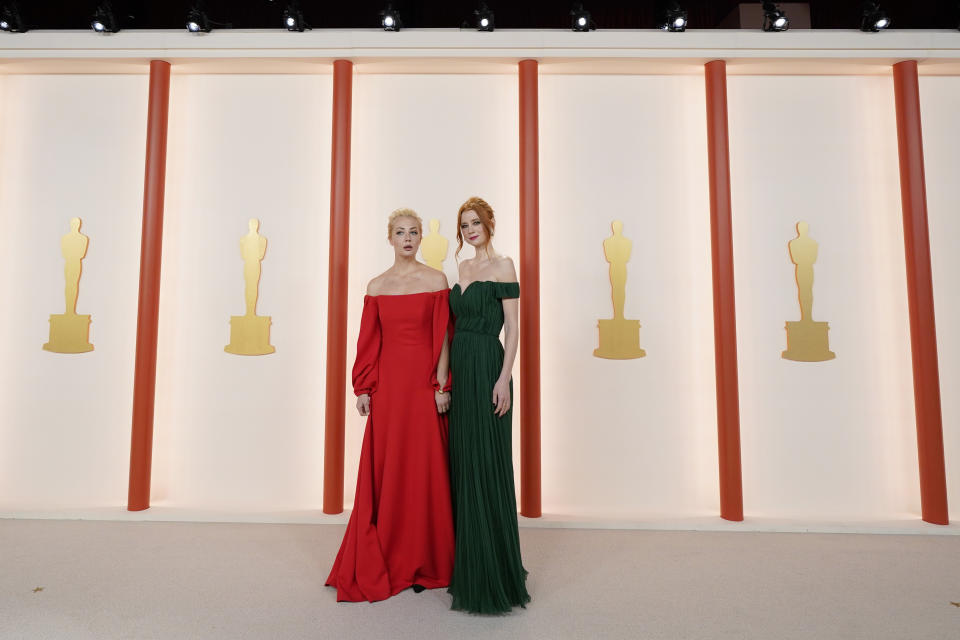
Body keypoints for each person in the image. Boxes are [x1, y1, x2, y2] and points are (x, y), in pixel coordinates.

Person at [326, 208, 455, 602]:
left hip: (423, 387)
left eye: (413, 232)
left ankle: (428, 559)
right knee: (389, 468)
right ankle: (391, 554)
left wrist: (441, 384)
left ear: (420, 238)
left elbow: (444, 338)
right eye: (400, 233)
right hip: (390, 390)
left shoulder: (436, 279)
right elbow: (369, 340)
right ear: (390, 239)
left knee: (425, 469)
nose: (408, 238)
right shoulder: (377, 286)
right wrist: (363, 388)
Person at [447, 196, 531, 614]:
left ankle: (494, 570)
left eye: (476, 222)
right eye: (464, 225)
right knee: (463, 464)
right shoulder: (461, 269)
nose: (470, 230)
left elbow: (513, 327)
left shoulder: (504, 266)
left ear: (489, 224)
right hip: (460, 371)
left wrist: (504, 379)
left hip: (487, 369)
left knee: (487, 464)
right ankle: (467, 562)